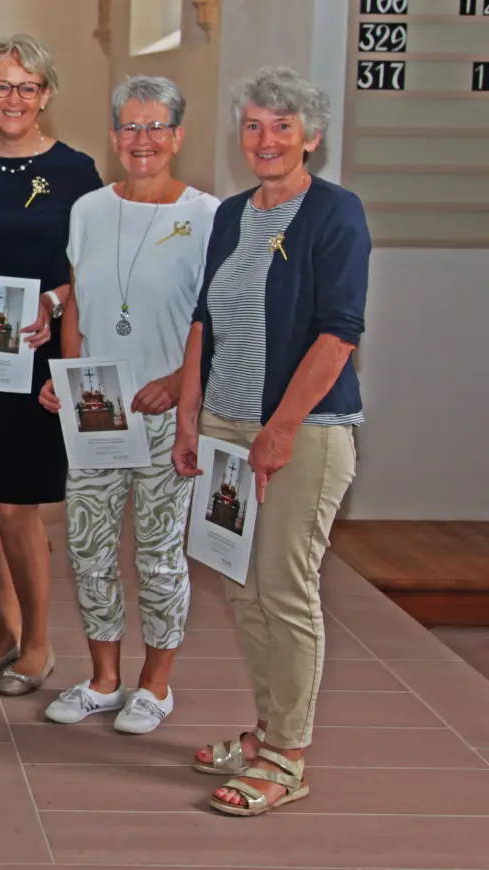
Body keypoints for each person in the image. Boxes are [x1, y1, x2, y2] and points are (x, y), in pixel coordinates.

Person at [175, 66, 367, 816]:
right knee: (243, 589)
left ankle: (287, 756)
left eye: (282, 126)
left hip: (302, 435)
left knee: (284, 591)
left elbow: (339, 332)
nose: (266, 139)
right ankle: (265, 731)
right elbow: (204, 321)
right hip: (225, 428)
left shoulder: (335, 215)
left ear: (311, 137)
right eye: (254, 125)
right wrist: (190, 417)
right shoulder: (231, 215)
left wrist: (280, 431)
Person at [38, 76, 220, 734]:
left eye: (155, 127)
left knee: (158, 554)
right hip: (97, 411)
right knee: (87, 549)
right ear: (114, 137)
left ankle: (156, 684)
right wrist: (67, 373)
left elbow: (214, 318)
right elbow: (79, 302)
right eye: (129, 128)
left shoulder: (206, 215)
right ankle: (104, 679)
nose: (141, 140)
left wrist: (177, 384)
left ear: (176, 135)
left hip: (167, 414)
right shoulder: (87, 209)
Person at [0, 34, 102, 696]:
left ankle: (38, 642)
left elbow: (95, 265)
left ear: (47, 95)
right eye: (1, 85)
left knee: (15, 505)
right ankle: (3, 632)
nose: (14, 98)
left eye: (27, 86)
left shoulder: (76, 172)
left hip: (37, 357)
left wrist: (60, 299)